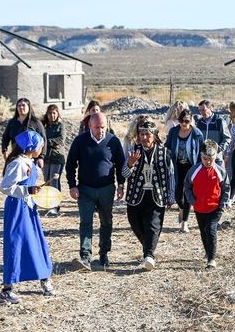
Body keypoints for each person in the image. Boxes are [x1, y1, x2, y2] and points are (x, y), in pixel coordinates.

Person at [0, 131, 55, 304]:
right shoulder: (17, 163)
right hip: (17, 209)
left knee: (37, 243)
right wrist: (27, 191)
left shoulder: (30, 162)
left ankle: (45, 280)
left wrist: (37, 194)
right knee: (16, 245)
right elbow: (5, 187)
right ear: (31, 147)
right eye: (40, 145)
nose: (41, 148)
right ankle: (7, 289)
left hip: (29, 208)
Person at [65, 113, 125, 270]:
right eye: (97, 127)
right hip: (85, 189)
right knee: (86, 222)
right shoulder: (80, 141)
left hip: (106, 188)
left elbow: (120, 164)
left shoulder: (113, 141)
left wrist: (120, 185)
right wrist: (72, 185)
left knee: (106, 221)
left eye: (103, 127)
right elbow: (70, 164)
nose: (100, 130)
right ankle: (85, 257)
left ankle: (104, 253)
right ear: (90, 126)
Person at [123, 120, 175, 271]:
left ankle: (149, 255)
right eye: (141, 134)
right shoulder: (133, 151)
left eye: (147, 134)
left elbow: (171, 174)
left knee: (153, 225)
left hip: (157, 195)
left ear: (154, 135)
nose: (144, 137)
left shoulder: (164, 152)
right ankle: (148, 250)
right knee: (135, 224)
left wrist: (171, 195)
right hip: (135, 195)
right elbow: (124, 174)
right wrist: (130, 164)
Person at [184, 140, 230, 269]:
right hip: (199, 208)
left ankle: (211, 259)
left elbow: (226, 188)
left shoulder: (220, 171)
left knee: (211, 230)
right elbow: (187, 186)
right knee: (203, 231)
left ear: (216, 156)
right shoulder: (194, 170)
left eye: (211, 158)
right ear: (200, 156)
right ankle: (207, 251)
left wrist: (223, 204)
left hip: (215, 208)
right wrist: (193, 201)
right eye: (205, 158)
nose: (208, 161)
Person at [165, 109, 204, 232]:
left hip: (191, 166)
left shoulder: (197, 134)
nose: (184, 123)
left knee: (188, 194)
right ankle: (182, 209)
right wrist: (166, 154)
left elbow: (201, 151)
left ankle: (184, 223)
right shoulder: (173, 131)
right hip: (177, 166)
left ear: (190, 120)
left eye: (186, 121)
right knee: (177, 193)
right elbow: (167, 146)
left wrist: (200, 166)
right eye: (181, 121)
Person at [1, 98, 47, 168]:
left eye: (23, 105)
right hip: (15, 155)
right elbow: (5, 137)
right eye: (19, 105)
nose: (21, 107)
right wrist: (4, 150)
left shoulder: (35, 122)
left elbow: (43, 140)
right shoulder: (12, 122)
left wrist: (41, 157)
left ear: (29, 107)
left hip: (30, 157)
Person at [41, 104, 65, 216]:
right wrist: (50, 143)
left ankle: (55, 206)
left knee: (54, 181)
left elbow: (61, 140)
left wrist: (47, 142)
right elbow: (40, 138)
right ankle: (49, 204)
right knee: (46, 180)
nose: (52, 115)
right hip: (45, 157)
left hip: (57, 157)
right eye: (50, 113)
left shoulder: (60, 125)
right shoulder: (44, 126)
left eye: (54, 113)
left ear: (58, 113)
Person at [195, 100, 231, 166]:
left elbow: (227, 138)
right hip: (203, 159)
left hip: (216, 158)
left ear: (210, 108)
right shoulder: (199, 123)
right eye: (200, 110)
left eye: (203, 109)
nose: (202, 112)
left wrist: (219, 149)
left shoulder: (219, 121)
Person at [224, 101, 235, 205]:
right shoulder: (226, 120)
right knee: (229, 172)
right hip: (229, 150)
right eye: (233, 109)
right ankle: (229, 194)